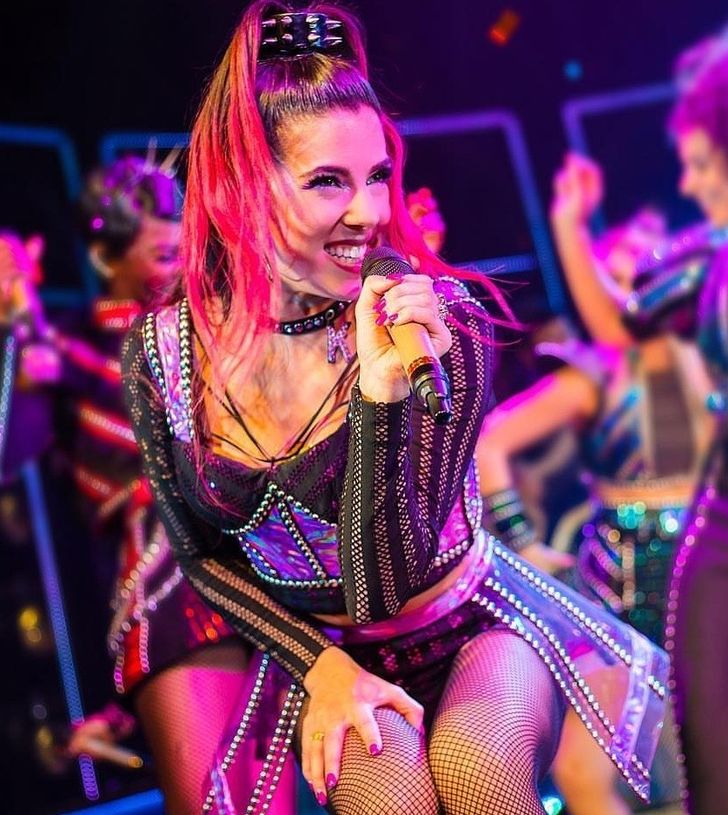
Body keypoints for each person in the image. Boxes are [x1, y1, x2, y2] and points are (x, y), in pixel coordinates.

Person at [122, 3, 668, 813]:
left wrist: (378, 397)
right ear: (244, 184)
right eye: (328, 181)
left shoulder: (440, 328)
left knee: (476, 772)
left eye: (378, 174)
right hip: (329, 652)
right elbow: (201, 559)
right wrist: (321, 664)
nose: (372, 212)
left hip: (473, 624)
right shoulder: (164, 354)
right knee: (392, 799)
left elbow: (384, 584)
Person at [0, 157, 295, 815]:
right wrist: (15, 326)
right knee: (220, 803)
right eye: (161, 250)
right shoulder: (72, 349)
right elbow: (8, 448)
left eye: (180, 245)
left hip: (266, 571)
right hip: (172, 581)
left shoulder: (216, 332)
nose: (178, 259)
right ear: (107, 256)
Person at [477, 200, 709, 815]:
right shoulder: (595, 374)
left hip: (709, 559)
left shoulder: (701, 355)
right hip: (623, 586)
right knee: (603, 761)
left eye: (652, 260)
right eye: (625, 265)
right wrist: (524, 542)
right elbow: (491, 442)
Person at [620, 28, 728, 815]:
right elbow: (629, 313)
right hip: (724, 524)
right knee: (712, 755)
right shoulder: (714, 256)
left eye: (700, 163)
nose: (689, 185)